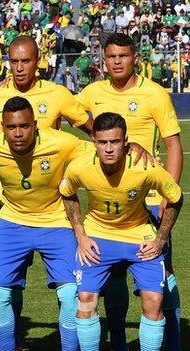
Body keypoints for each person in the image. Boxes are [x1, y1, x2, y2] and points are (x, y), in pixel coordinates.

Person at [77, 33, 183, 351]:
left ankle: (174, 341)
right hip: (107, 199)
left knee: (163, 273)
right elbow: (61, 111)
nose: (118, 61)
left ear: (135, 57)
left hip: (148, 200)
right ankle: (120, 341)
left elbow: (173, 145)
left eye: (124, 55)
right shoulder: (92, 93)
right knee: (113, 276)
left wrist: (167, 196)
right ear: (103, 60)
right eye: (112, 56)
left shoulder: (154, 94)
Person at [0, 96, 98, 351]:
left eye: (24, 126)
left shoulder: (62, 142)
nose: (18, 133)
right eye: (11, 127)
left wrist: (134, 148)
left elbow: (102, 150)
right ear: (1, 127)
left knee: (69, 296)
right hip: (12, 221)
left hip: (56, 221)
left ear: (35, 125)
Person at [60, 112, 183, 351]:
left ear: (125, 141)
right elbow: (67, 193)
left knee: (154, 300)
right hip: (98, 236)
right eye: (102, 142)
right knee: (85, 301)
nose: (108, 149)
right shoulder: (80, 167)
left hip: (139, 236)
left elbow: (175, 198)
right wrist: (81, 236)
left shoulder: (145, 167)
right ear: (94, 140)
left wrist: (161, 238)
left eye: (115, 142)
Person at [0, 36, 92, 134]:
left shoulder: (57, 93)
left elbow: (93, 131)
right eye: (14, 61)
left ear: (37, 62)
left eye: (25, 61)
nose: (19, 68)